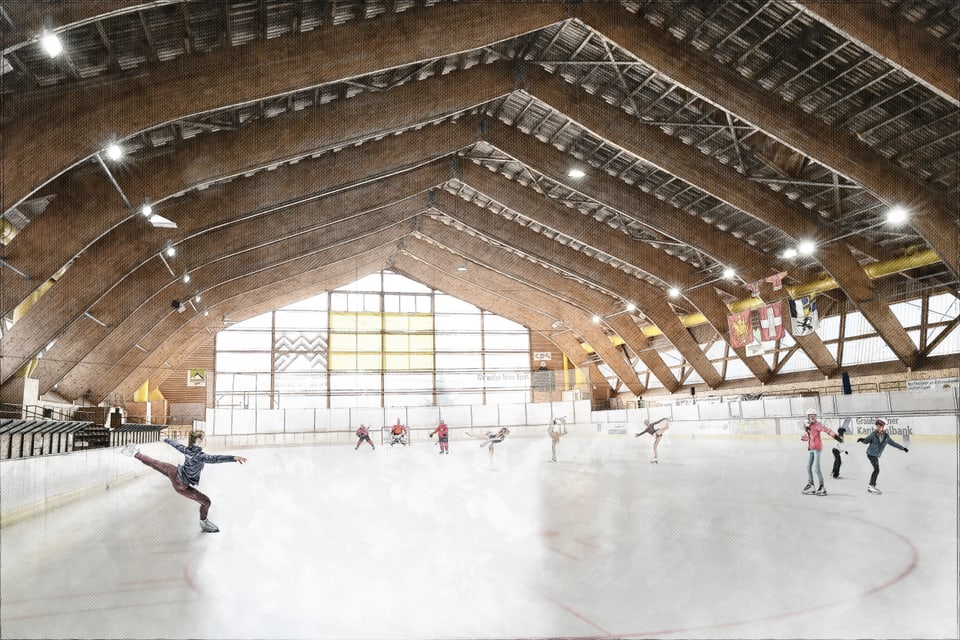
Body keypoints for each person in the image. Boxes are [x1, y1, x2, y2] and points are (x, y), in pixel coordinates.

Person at [122, 431, 247, 533]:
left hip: (175, 473)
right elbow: (215, 458)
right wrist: (233, 458)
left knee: (156, 463)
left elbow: (177, 445)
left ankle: (134, 453)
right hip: (182, 486)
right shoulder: (200, 456)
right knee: (206, 502)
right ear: (198, 441)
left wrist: (166, 440)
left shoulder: (188, 450)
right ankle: (204, 522)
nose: (205, 441)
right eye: (204, 439)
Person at [857, 418, 908, 494]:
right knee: (876, 469)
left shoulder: (886, 436)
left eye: (880, 426)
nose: (878, 428)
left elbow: (893, 443)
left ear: (884, 427)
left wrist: (903, 448)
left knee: (877, 469)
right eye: (877, 426)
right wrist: (862, 440)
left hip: (876, 455)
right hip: (871, 454)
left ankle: (871, 486)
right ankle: (871, 486)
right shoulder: (873, 434)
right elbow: (866, 441)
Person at [800, 408, 841, 496]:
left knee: (816, 469)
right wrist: (804, 438)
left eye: (814, 416)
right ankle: (811, 485)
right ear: (808, 417)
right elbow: (808, 436)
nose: (813, 418)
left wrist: (835, 436)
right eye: (811, 416)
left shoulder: (818, 425)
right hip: (811, 448)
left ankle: (822, 486)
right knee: (808, 467)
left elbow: (827, 430)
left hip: (817, 449)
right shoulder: (807, 426)